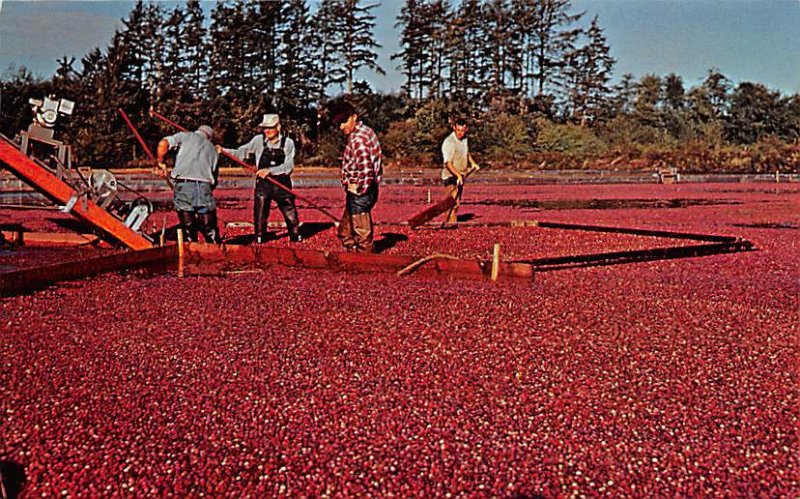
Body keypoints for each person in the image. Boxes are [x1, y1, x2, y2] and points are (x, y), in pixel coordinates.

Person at [218, 114, 302, 243]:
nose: (267, 131)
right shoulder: (258, 141)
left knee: (289, 211)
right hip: (263, 185)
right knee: (260, 212)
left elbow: (288, 166)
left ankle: (295, 236)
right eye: (265, 128)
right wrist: (223, 150)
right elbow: (241, 153)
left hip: (282, 183)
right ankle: (260, 237)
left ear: (278, 127)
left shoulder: (288, 143)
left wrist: (269, 171)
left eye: (270, 128)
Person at [329, 101, 382, 253]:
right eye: (339, 123)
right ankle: (352, 251)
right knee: (345, 230)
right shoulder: (366, 131)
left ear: (354, 117)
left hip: (361, 190)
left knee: (362, 232)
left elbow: (366, 170)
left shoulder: (357, 140)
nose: (341, 127)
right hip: (364, 189)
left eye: (344, 122)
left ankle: (364, 260)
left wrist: (359, 189)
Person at [157, 125, 221, 243]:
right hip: (204, 187)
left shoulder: (185, 136)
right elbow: (214, 179)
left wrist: (161, 162)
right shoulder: (213, 149)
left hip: (184, 185)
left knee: (188, 227)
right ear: (210, 138)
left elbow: (163, 144)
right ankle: (217, 253)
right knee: (210, 228)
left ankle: (192, 252)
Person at [441, 115, 480, 227]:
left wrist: (472, 163)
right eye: (458, 130)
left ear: (466, 129)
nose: (460, 133)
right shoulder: (449, 142)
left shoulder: (464, 140)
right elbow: (447, 163)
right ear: (454, 128)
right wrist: (457, 175)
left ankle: (451, 225)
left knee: (456, 204)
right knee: (452, 204)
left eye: (463, 131)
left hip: (461, 176)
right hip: (450, 177)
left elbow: (466, 153)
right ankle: (449, 227)